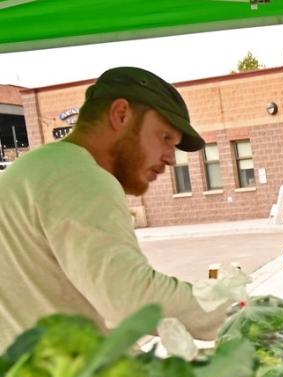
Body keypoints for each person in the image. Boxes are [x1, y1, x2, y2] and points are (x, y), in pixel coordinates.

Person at [0, 66, 231, 351]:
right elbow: (131, 297)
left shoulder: (36, 168)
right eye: (165, 138)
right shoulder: (78, 176)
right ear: (121, 114)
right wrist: (241, 316)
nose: (171, 158)